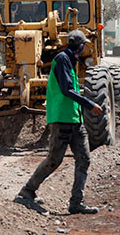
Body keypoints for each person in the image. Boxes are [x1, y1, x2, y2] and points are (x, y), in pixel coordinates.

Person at [17, 30, 104, 214]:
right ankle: (28, 190)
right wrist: (89, 104)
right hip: (61, 119)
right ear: (79, 46)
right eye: (83, 45)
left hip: (74, 119)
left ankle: (76, 202)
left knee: (84, 159)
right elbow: (66, 90)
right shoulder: (62, 59)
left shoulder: (71, 60)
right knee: (54, 160)